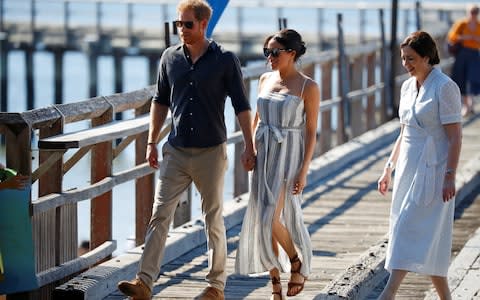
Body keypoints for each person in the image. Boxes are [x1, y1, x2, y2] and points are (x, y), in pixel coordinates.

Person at [117, 0, 255, 299]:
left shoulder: (225, 59)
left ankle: (216, 286)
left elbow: (242, 106)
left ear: (204, 24)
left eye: (188, 24)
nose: (182, 29)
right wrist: (152, 141)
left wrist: (249, 145)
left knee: (212, 217)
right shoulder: (169, 58)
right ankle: (144, 282)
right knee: (159, 215)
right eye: (179, 23)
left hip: (210, 152)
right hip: (176, 151)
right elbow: (160, 102)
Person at [377, 31, 462, 300]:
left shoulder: (445, 87)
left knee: (407, 228)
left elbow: (455, 135)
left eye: (411, 59)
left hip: (434, 169)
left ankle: (388, 293)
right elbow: (404, 131)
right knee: (430, 241)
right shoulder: (407, 86)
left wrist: (450, 175)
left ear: (427, 57)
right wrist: (388, 167)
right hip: (407, 167)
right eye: (403, 59)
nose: (406, 64)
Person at [235, 29, 319, 299]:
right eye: (266, 52)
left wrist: (304, 170)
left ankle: (296, 261)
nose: (269, 57)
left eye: (275, 52)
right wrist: (248, 149)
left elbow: (311, 131)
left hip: (289, 155)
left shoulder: (308, 86)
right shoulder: (264, 79)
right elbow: (257, 118)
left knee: (270, 216)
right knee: (262, 219)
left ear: (291, 53)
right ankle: (275, 286)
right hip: (264, 153)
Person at [447, 4, 480, 117]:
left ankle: (470, 104)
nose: (474, 14)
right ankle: (466, 105)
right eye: (472, 12)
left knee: (473, 79)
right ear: (468, 12)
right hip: (462, 53)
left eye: (476, 12)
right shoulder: (462, 24)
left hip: (474, 54)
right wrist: (465, 38)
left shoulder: (479, 25)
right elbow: (451, 36)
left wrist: (476, 39)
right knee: (462, 78)